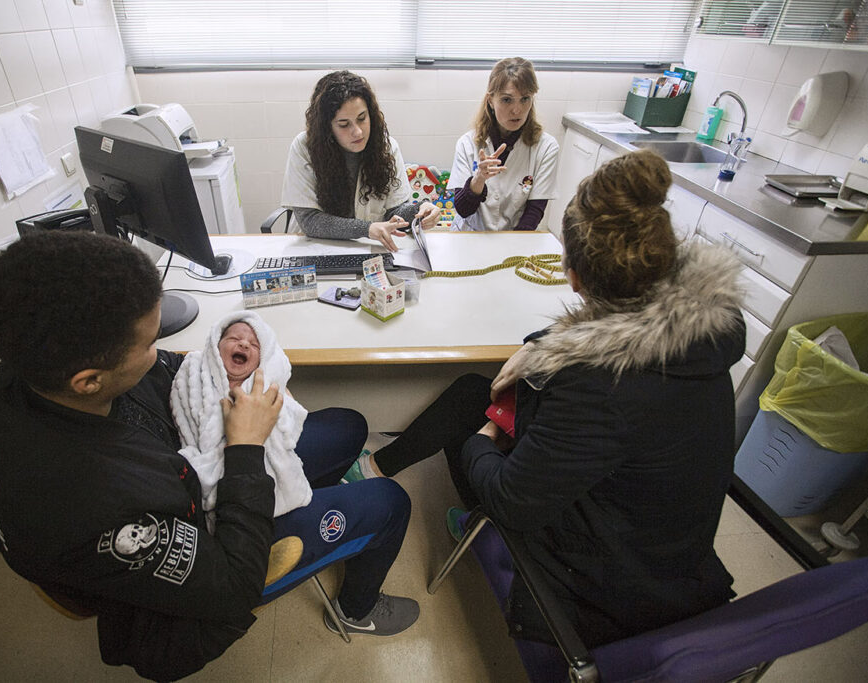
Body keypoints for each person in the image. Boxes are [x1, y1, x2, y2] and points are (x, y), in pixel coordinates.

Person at [345, 150, 747, 647]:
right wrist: (539, 345)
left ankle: (408, 485)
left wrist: (484, 434)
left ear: (574, 277)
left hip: (605, 572)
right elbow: (609, 336)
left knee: (477, 414)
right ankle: (380, 466)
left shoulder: (600, 387)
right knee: (477, 387)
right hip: (653, 531)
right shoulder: (698, 337)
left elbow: (513, 501)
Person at [0, 231, 418, 682]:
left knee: (349, 427)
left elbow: (172, 370)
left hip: (189, 464)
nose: (159, 352)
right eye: (149, 343)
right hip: (208, 565)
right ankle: (354, 609)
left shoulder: (31, 364)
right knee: (389, 503)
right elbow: (231, 587)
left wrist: (221, 374)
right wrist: (246, 449)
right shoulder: (93, 506)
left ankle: (310, 503)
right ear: (89, 380)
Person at [171, 311, 312, 517]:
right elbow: (185, 409)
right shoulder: (198, 375)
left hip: (263, 468)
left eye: (254, 345)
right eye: (234, 338)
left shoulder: (259, 384)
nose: (244, 344)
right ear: (215, 349)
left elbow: (288, 425)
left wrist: (283, 398)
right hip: (235, 488)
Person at [281, 70, 440, 252]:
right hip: (317, 247)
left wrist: (420, 211)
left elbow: (394, 213)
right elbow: (310, 221)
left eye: (362, 118)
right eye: (344, 124)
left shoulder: (387, 148)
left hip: (368, 248)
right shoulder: (304, 147)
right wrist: (367, 229)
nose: (357, 132)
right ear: (326, 127)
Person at [448, 57, 560, 231]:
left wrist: (510, 251)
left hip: (516, 237)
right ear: (491, 101)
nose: (517, 110)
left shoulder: (546, 147)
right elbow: (463, 210)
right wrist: (478, 180)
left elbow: (534, 213)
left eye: (525, 99)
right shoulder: (467, 144)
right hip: (469, 236)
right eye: (507, 100)